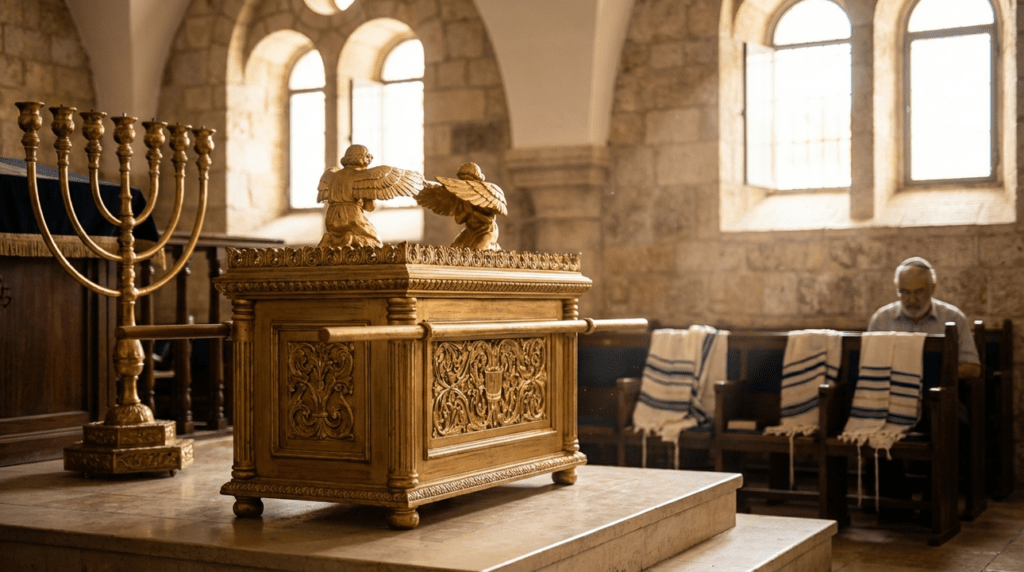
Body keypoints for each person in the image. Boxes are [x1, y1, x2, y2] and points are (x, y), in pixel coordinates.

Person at [868, 257, 981, 379]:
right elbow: (867, 366)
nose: (911, 300)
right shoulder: (881, 320)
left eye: (918, 292)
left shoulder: (954, 318)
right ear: (897, 289)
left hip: (939, 394)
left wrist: (928, 375)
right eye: (904, 292)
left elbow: (973, 368)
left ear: (933, 288)